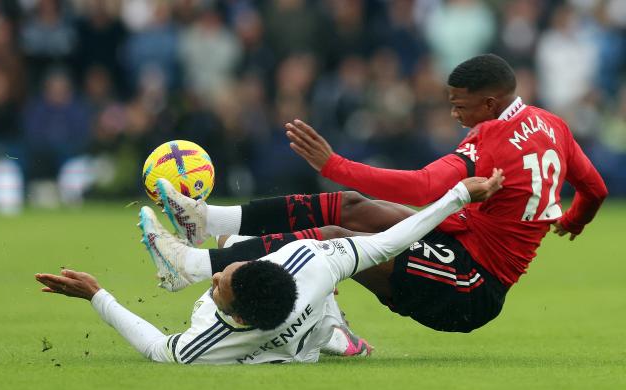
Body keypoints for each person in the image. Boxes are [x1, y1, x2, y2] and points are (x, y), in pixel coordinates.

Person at [156, 54, 607, 333]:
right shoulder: (553, 125)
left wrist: (335, 166)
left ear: (489, 104)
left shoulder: (492, 140)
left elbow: (425, 186)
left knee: (334, 236)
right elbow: (595, 188)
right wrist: (570, 220)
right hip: (455, 242)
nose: (452, 112)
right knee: (354, 209)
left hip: (471, 287)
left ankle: (194, 266)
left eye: (459, 104)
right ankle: (209, 221)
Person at [35, 173, 503, 364]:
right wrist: (458, 195)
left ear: (234, 316)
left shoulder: (209, 344)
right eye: (222, 275)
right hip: (310, 317)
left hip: (295, 330)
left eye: (217, 283)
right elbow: (386, 246)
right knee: (338, 235)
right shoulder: (311, 266)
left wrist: (98, 296)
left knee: (236, 244)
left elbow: (158, 347)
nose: (221, 279)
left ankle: (192, 259)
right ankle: (333, 332)